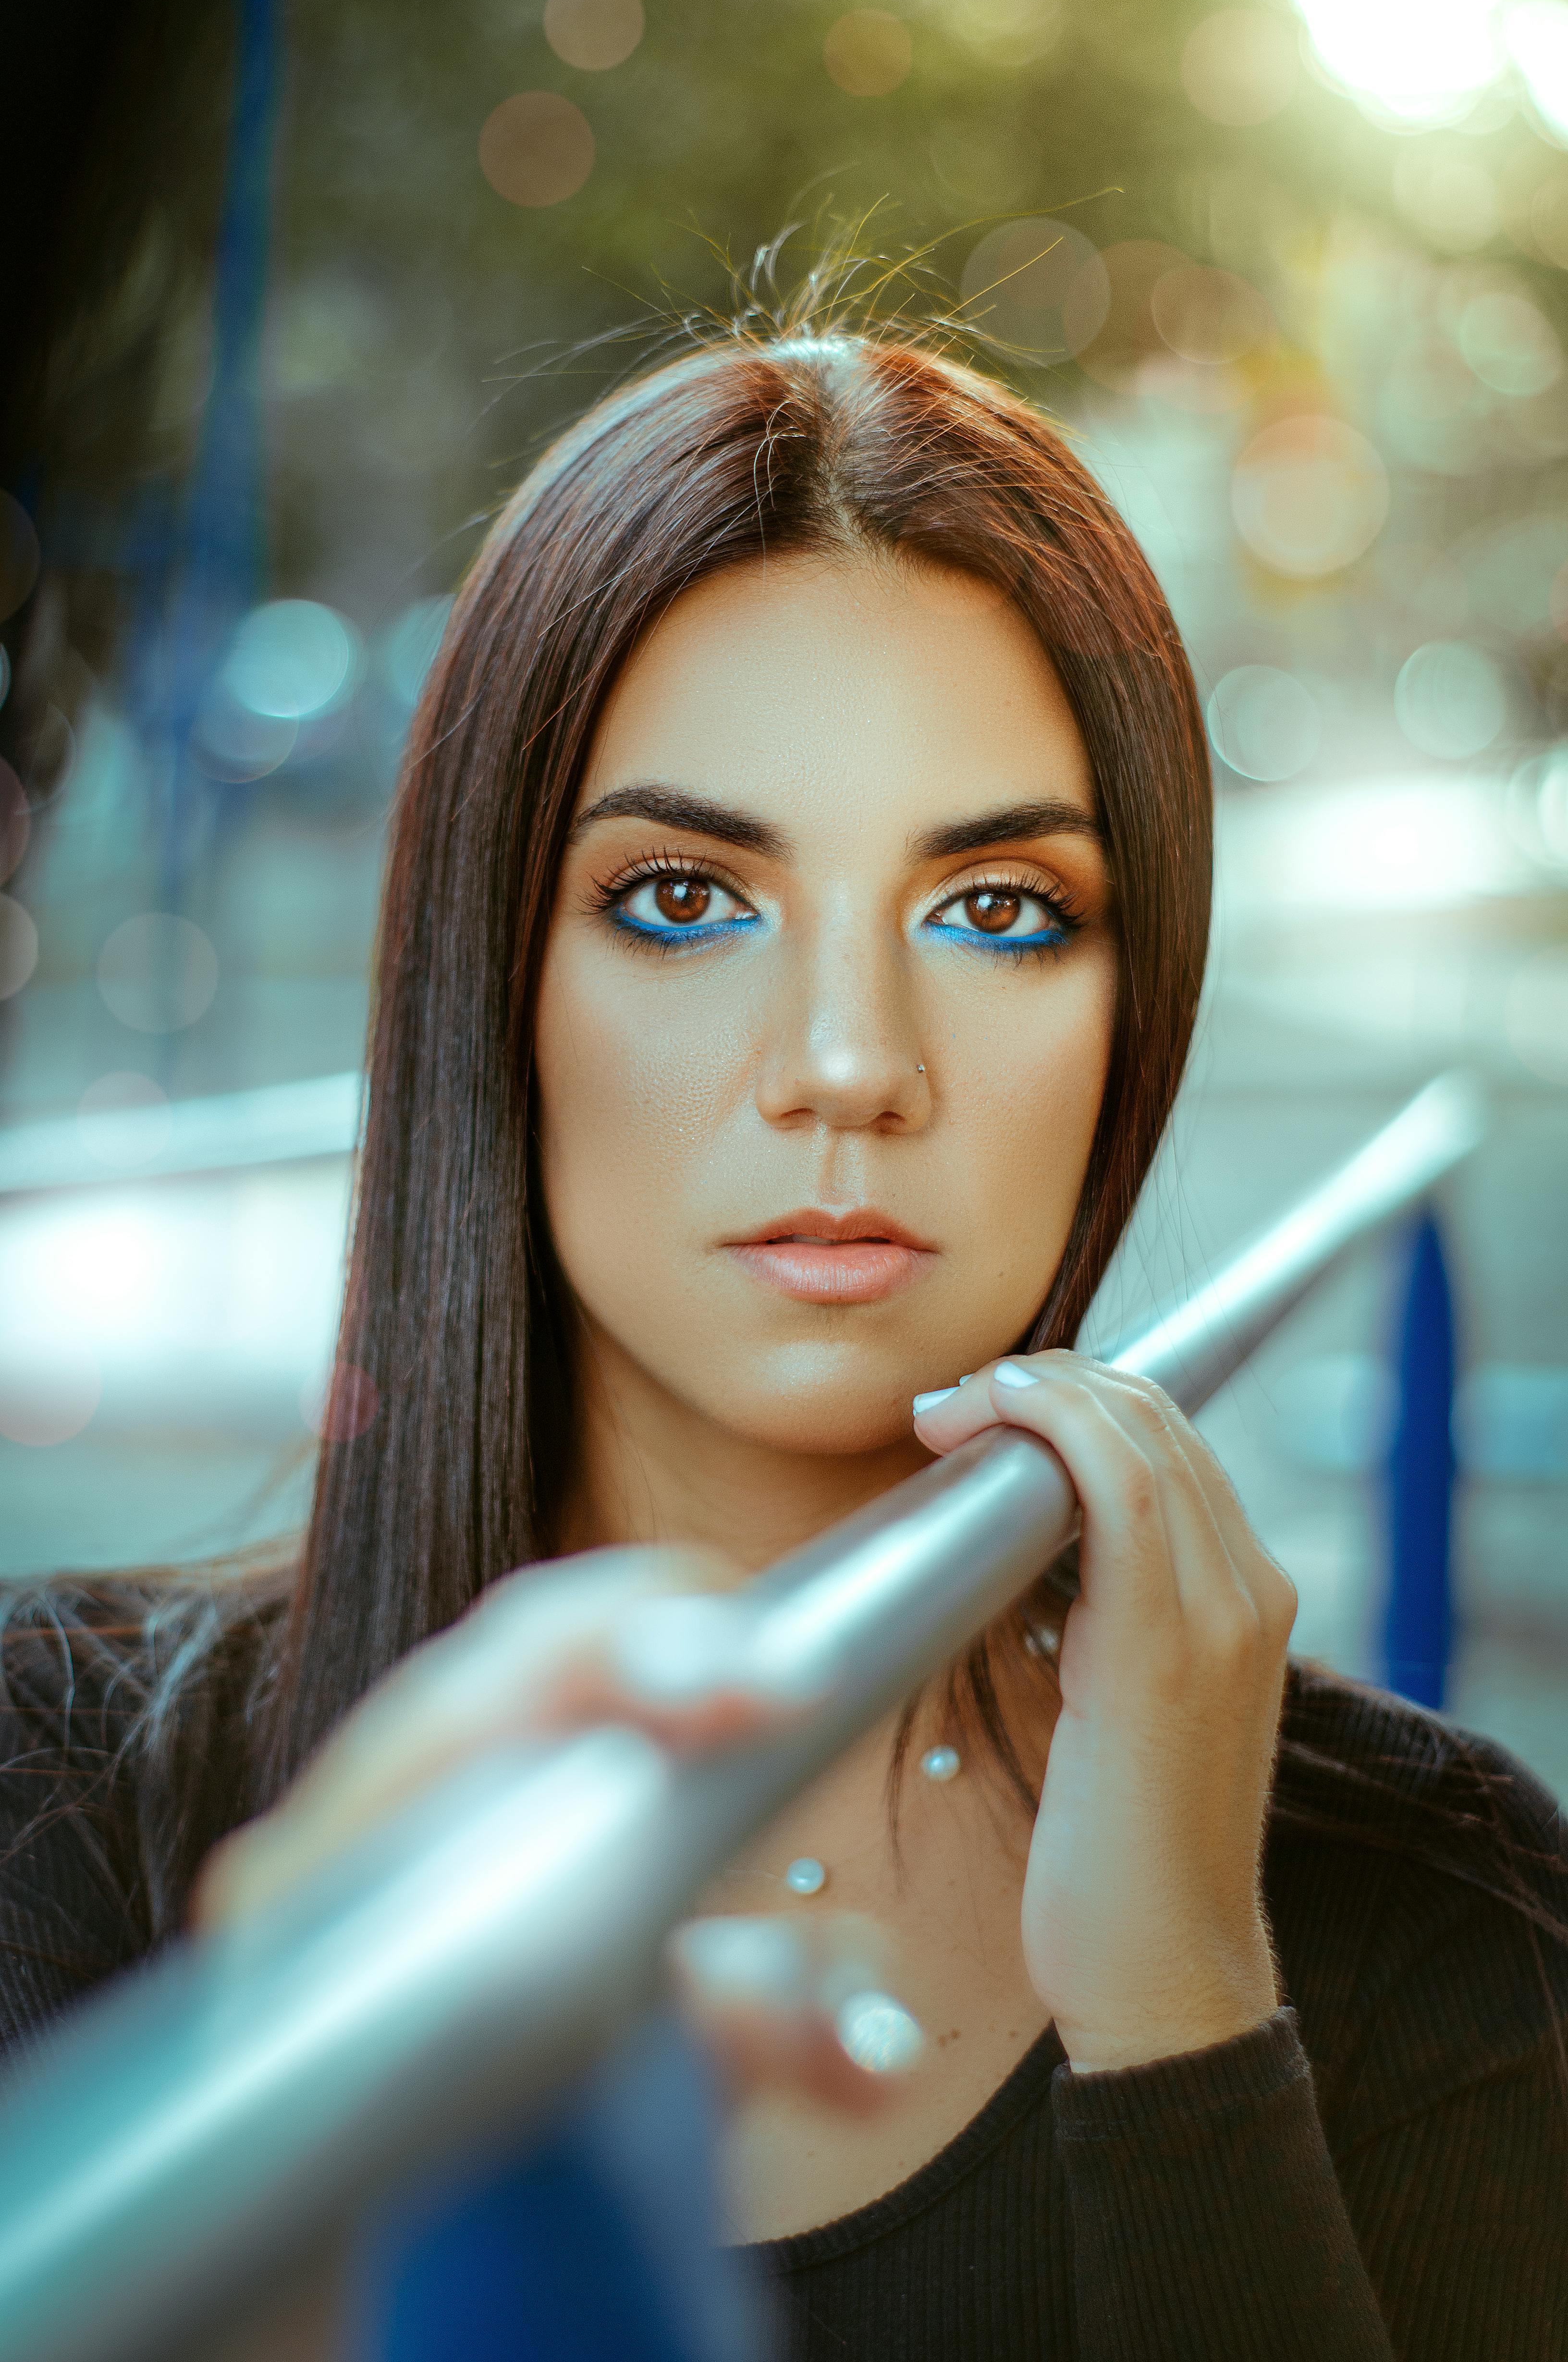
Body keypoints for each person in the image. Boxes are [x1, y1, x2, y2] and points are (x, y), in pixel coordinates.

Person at [2, 326, 1565, 2361]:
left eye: (1001, 908)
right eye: (679, 894)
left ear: (1140, 998)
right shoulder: (52, 1788)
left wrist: (1188, 2015)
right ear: (492, 975)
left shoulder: (1445, 1900)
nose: (851, 1067)